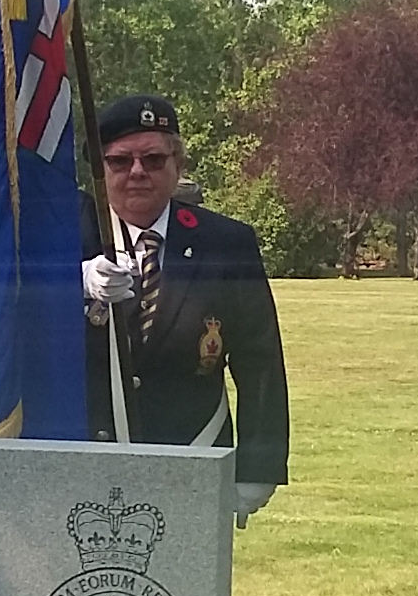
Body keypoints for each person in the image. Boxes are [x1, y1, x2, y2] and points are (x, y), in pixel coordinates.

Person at [80, 94, 290, 527]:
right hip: (83, 459)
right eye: (120, 161)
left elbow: (259, 360)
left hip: (193, 454)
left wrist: (257, 466)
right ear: (99, 170)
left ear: (178, 165)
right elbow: (15, 314)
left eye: (154, 160)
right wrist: (74, 283)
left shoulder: (226, 244)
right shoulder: (64, 238)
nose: (137, 172)